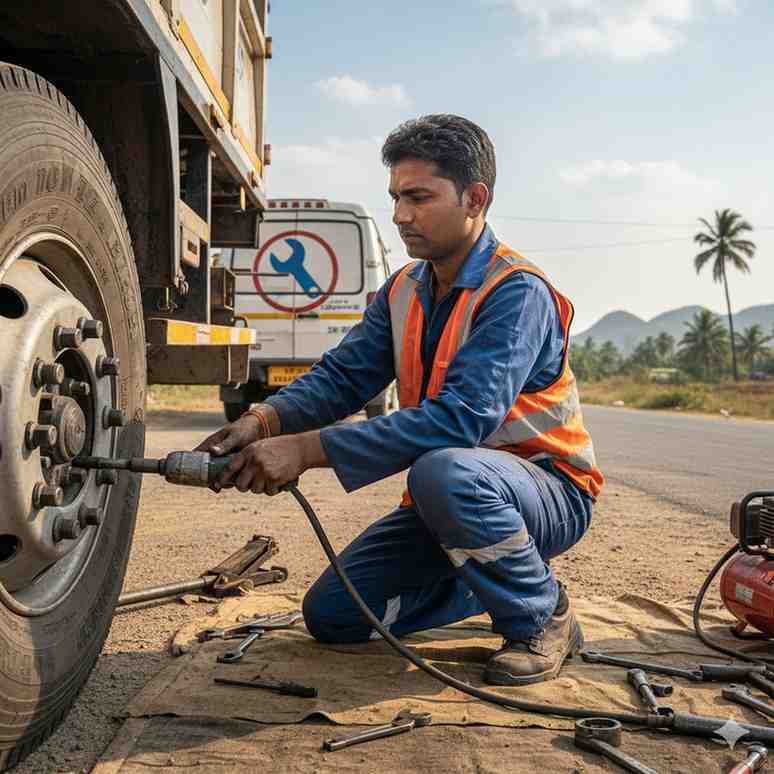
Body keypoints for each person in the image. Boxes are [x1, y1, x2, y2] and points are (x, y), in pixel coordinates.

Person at [196, 114, 603, 685]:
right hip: (455, 497)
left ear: (474, 198)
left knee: (443, 471)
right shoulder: (404, 289)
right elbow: (342, 378)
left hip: (545, 490)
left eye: (418, 197)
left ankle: (541, 614)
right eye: (394, 197)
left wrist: (306, 450)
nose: (399, 216)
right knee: (335, 616)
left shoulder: (518, 293)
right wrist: (261, 422)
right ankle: (500, 581)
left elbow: (464, 419)